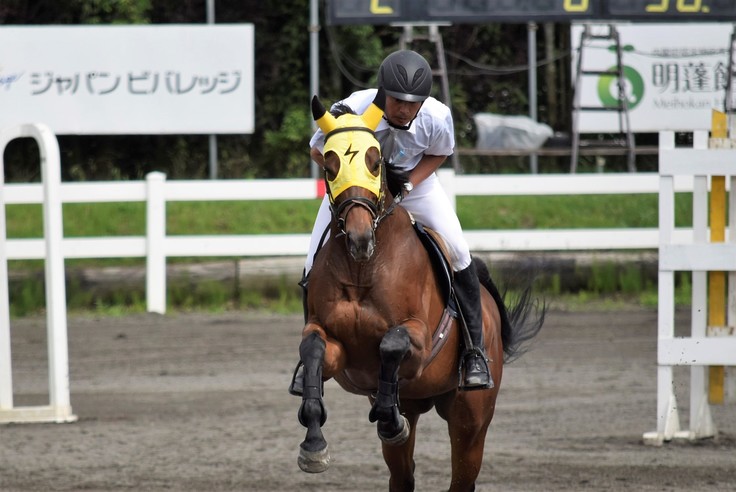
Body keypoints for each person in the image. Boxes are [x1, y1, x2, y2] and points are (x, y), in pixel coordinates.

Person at [294, 49, 491, 391]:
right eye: (397, 100)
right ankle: (309, 355)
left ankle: (475, 352)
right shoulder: (355, 107)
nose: (403, 109)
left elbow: (440, 152)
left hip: (415, 185)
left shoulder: (436, 116)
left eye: (412, 102)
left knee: (459, 251)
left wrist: (410, 183)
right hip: (357, 192)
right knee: (313, 259)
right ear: (383, 93)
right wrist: (346, 186)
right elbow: (317, 150)